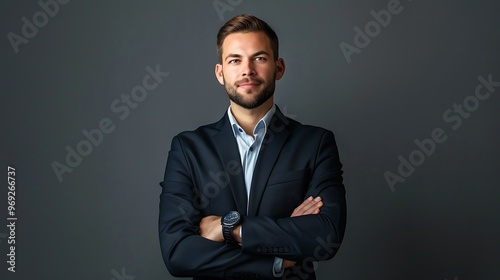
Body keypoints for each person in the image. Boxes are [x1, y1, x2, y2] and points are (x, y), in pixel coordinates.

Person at [159, 14, 346, 280]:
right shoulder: (188, 149)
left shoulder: (315, 144)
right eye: (235, 60)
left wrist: (228, 228)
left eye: (259, 58)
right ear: (220, 73)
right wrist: (279, 258)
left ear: (278, 68)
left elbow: (325, 236)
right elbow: (177, 254)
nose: (247, 70)